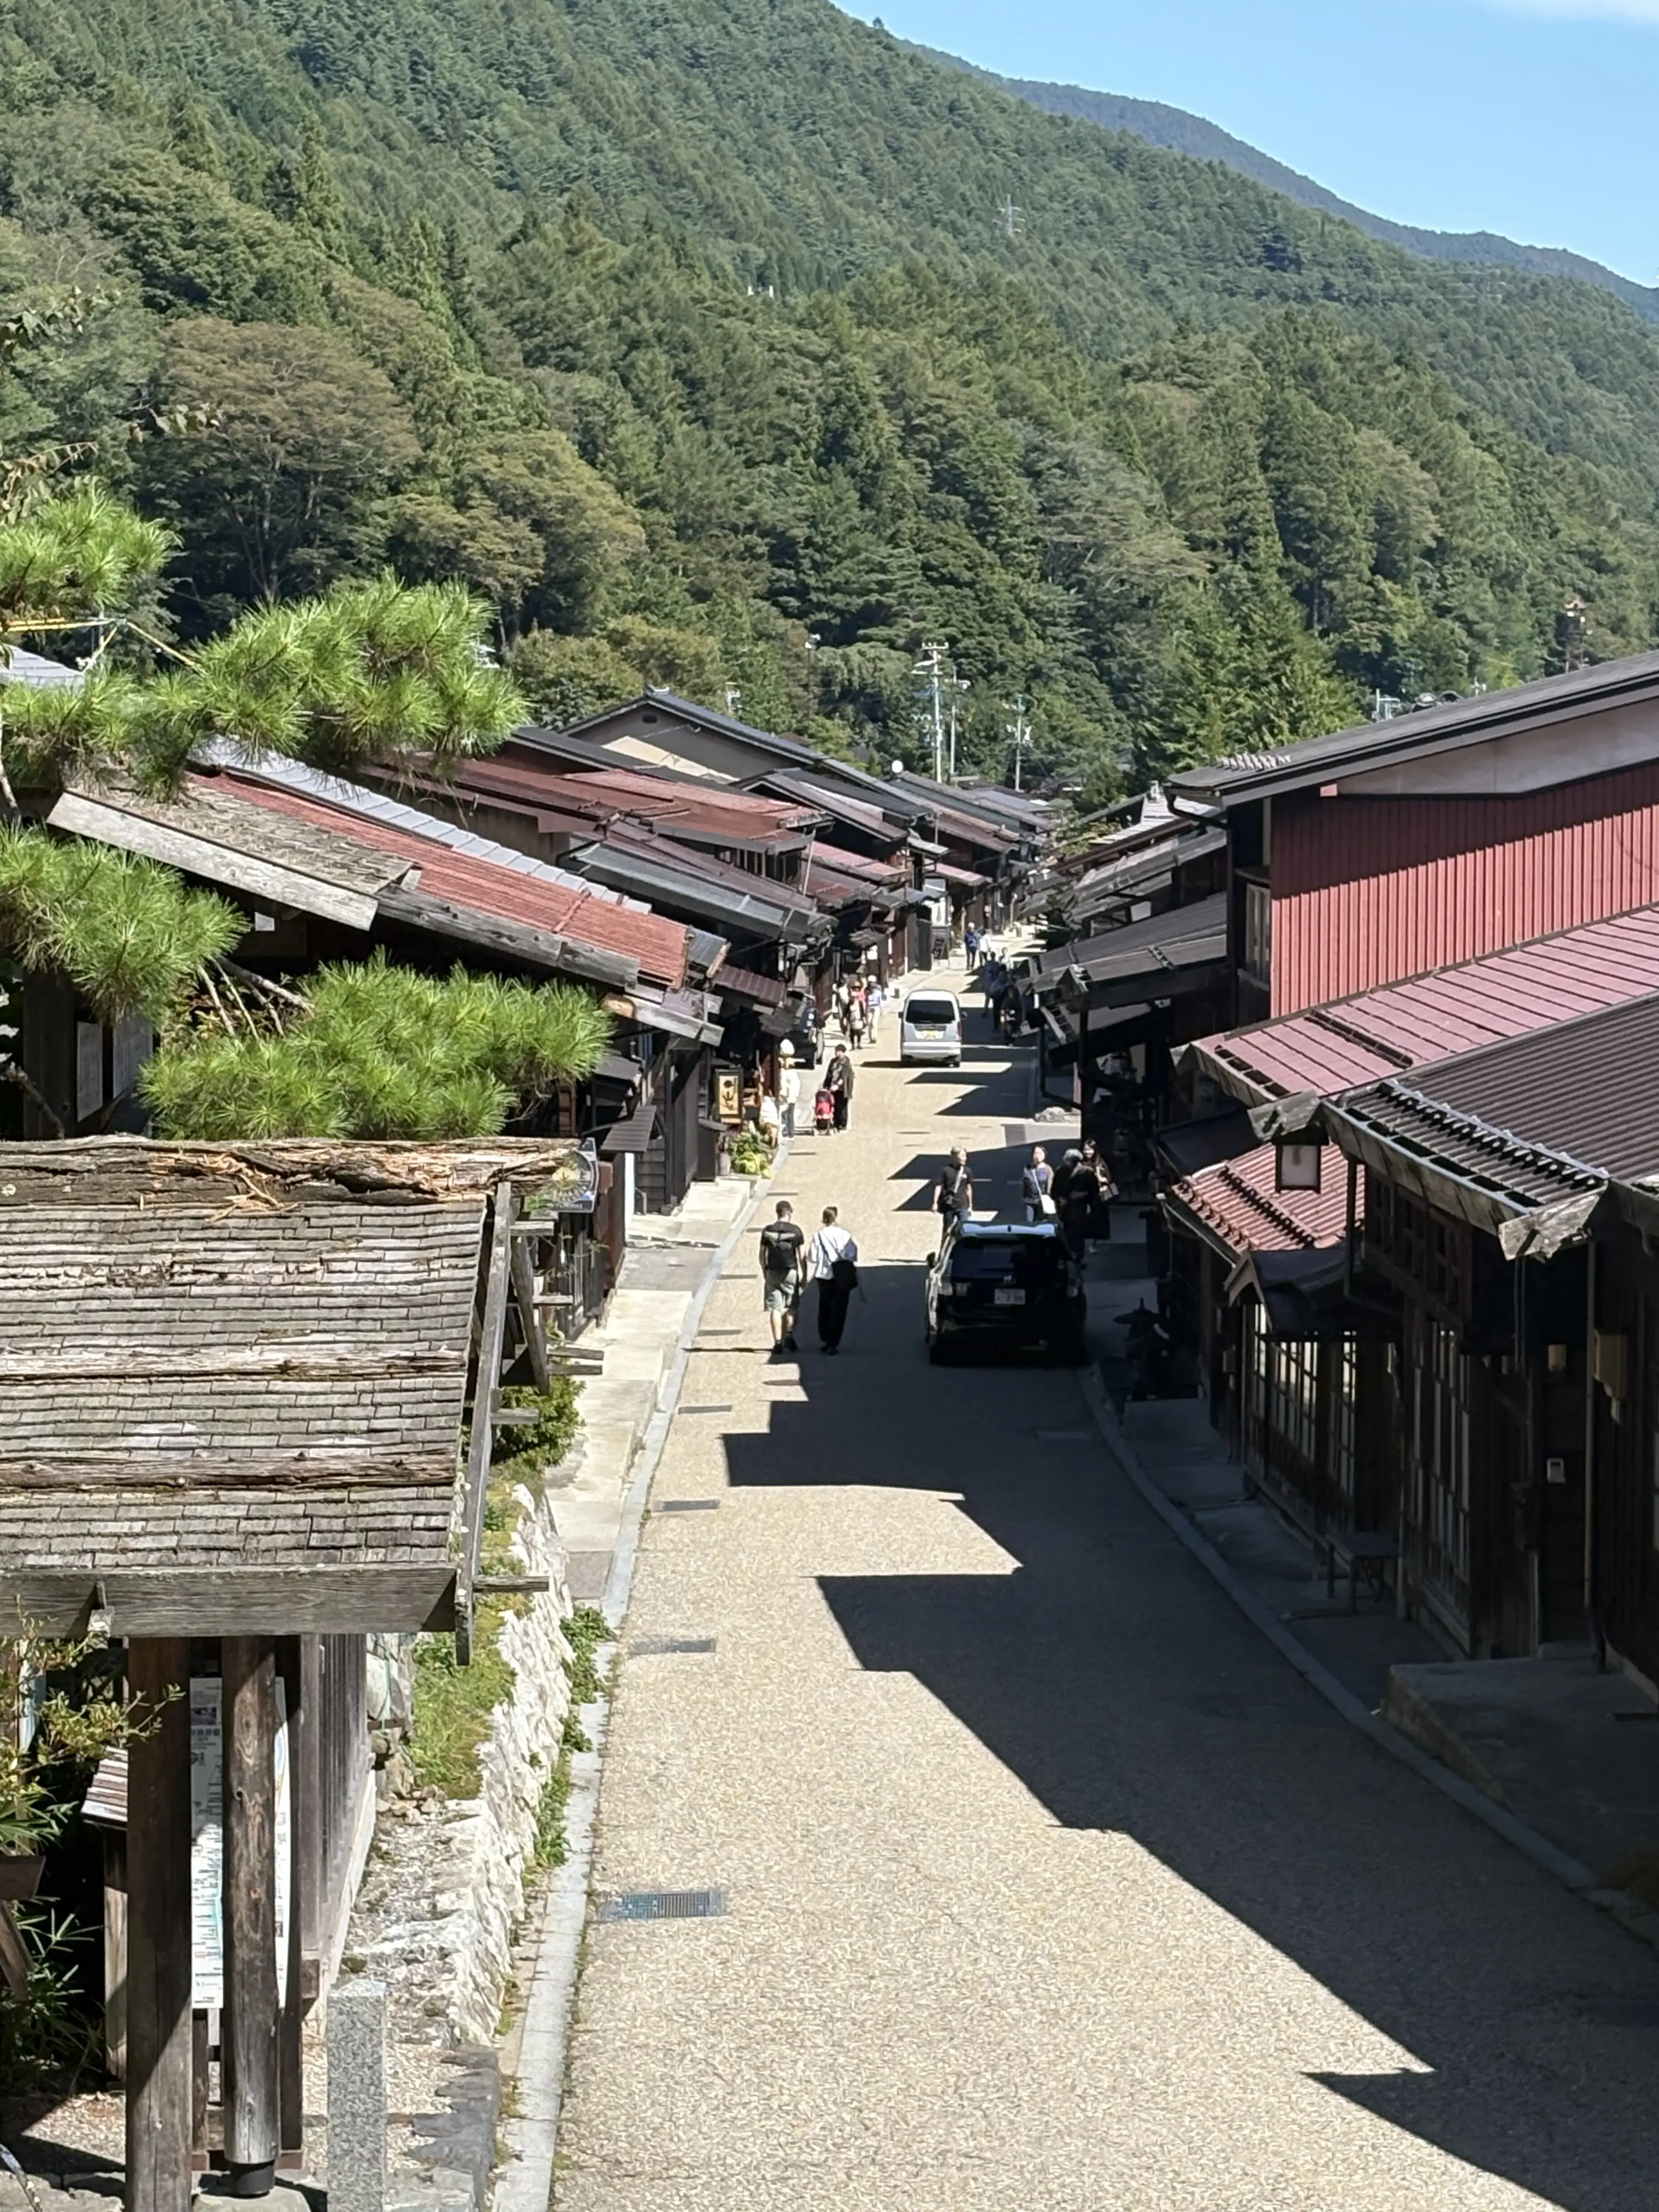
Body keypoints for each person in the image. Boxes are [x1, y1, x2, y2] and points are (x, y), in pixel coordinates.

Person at [807, 1204, 859, 1353]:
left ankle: (825, 1337)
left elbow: (813, 1257)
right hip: (841, 1275)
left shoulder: (818, 1236)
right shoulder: (844, 1235)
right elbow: (853, 1254)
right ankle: (834, 1342)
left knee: (825, 1307)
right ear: (836, 1217)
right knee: (840, 1308)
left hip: (824, 1275)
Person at [758, 1198, 805, 1354]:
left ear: (777, 1212)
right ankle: (790, 1333)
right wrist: (804, 1275)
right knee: (792, 1306)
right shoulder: (796, 1231)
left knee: (775, 1308)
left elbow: (762, 1255)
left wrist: (765, 1269)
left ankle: (778, 1341)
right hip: (790, 1270)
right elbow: (802, 1256)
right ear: (790, 1212)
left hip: (773, 1271)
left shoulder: (767, 1231)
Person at [934, 1145, 974, 1226]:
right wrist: (935, 1203)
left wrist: (970, 1206)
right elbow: (939, 1186)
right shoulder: (946, 1170)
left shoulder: (967, 1171)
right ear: (955, 1156)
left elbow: (968, 1189)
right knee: (947, 1230)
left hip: (963, 1205)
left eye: (965, 1156)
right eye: (962, 1156)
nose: (965, 1158)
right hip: (949, 1205)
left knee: (964, 1227)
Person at [824, 1043, 855, 1132]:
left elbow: (844, 1077)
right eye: (837, 1052)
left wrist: (837, 1085)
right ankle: (836, 1122)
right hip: (833, 1088)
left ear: (844, 1053)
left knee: (843, 1107)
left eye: (840, 1052)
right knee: (835, 1106)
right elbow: (829, 1074)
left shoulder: (846, 1063)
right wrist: (826, 1085)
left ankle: (843, 1124)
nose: (838, 1054)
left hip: (843, 1088)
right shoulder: (833, 1062)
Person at [1022, 1144, 1054, 1223]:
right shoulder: (1027, 1169)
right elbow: (1026, 1183)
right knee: (1030, 1222)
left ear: (1044, 1155)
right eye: (1035, 1153)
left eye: (1040, 1153)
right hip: (1030, 1200)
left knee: (1042, 1222)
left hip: (1043, 1201)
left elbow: (1051, 1185)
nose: (1037, 1156)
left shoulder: (1048, 1170)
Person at [777, 1041, 802, 1139]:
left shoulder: (788, 1074)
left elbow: (786, 1085)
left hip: (788, 1097)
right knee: (788, 1114)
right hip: (789, 1097)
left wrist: (785, 1096)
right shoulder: (790, 1073)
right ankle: (789, 1131)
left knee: (787, 1115)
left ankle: (788, 1131)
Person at [866, 979, 885, 1045]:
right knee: (869, 1023)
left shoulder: (878, 993)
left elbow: (880, 1002)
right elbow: (865, 1002)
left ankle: (875, 1038)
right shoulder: (867, 992)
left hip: (876, 1007)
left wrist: (881, 1010)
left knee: (874, 1023)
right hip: (869, 1007)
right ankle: (870, 1038)